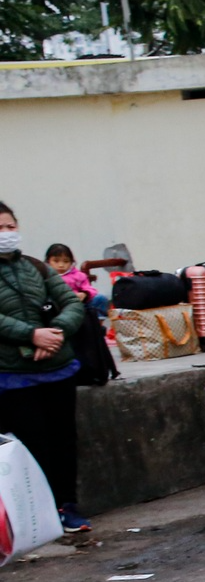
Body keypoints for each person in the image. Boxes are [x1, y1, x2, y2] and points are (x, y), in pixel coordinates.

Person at [0, 202, 89, 535]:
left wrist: (55, 333)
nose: (7, 234)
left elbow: (71, 302)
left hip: (56, 366)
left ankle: (69, 505)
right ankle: (39, 514)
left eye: (10, 226)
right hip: (12, 375)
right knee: (31, 442)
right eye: (0, 228)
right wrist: (31, 335)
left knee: (64, 439)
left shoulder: (36, 267)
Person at [44, 244, 107, 319]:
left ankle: (97, 325)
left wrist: (84, 294)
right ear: (48, 261)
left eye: (66, 261)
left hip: (78, 303)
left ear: (71, 262)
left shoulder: (79, 275)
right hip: (57, 306)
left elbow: (90, 289)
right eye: (56, 261)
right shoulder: (44, 276)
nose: (61, 265)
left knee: (100, 298)